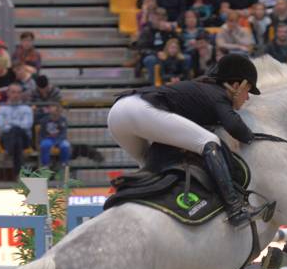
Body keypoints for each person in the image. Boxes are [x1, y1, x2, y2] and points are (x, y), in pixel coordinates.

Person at [107, 53, 260, 226]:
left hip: (117, 115)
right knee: (210, 142)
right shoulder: (219, 94)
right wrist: (252, 137)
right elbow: (234, 126)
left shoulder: (202, 89)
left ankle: (147, 212)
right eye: (248, 91)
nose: (247, 98)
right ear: (236, 85)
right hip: (140, 109)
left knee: (148, 166)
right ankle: (235, 208)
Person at [0, 83, 33, 174]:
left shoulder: (26, 109)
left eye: (18, 92)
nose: (16, 95)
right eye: (13, 92)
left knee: (16, 131)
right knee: (17, 140)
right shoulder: (2, 109)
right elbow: (1, 127)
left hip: (25, 138)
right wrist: (17, 125)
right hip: (6, 138)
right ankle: (18, 173)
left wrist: (11, 123)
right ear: (8, 93)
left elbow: (27, 125)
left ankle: (8, 151)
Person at [39, 103, 71, 168]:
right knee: (44, 145)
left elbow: (63, 134)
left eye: (57, 112)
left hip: (60, 139)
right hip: (47, 138)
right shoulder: (44, 120)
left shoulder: (63, 120)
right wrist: (44, 139)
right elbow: (42, 133)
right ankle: (45, 165)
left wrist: (56, 142)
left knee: (65, 145)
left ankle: (64, 163)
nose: (55, 115)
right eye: (54, 113)